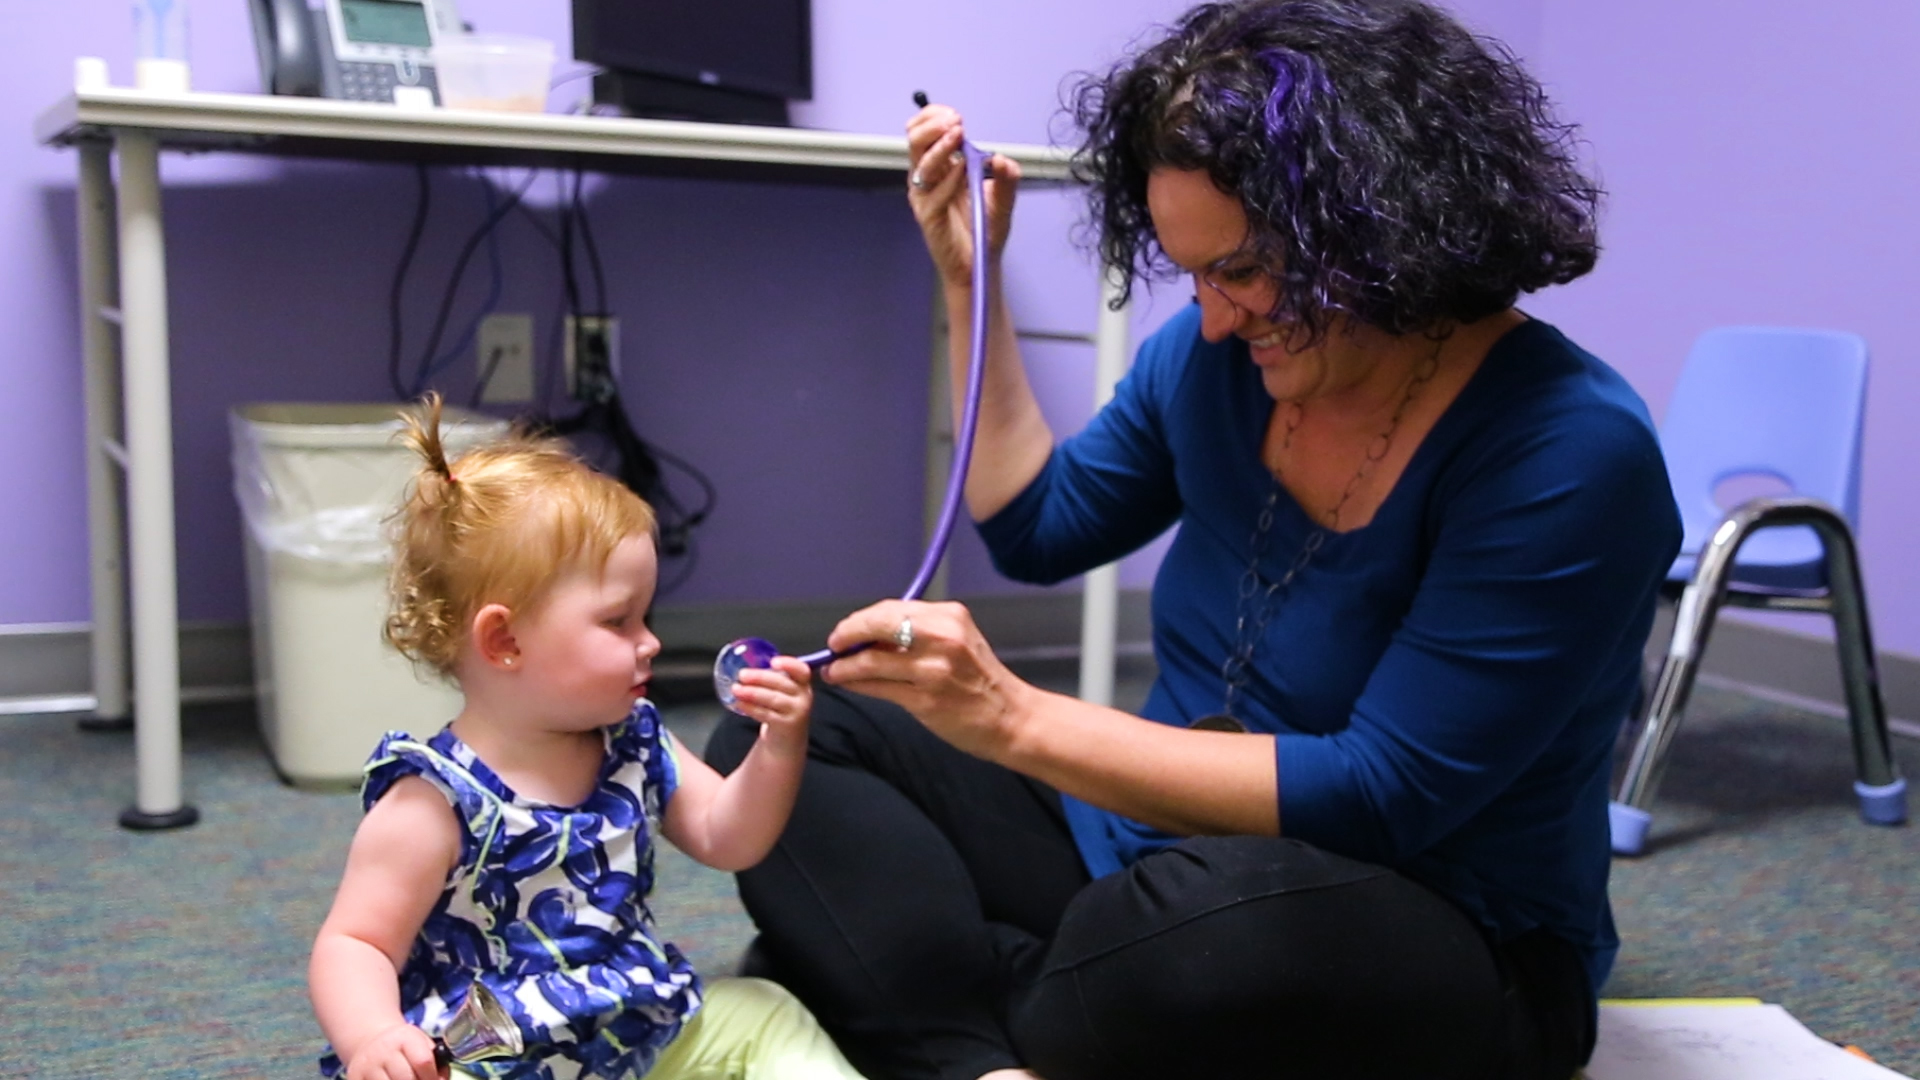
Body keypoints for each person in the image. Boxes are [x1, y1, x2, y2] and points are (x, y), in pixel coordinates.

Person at [704, 2, 1683, 1079]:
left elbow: (1380, 794)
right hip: (1144, 856)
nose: (1217, 317)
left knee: (1218, 936)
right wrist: (970, 279)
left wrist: (1011, 719)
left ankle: (900, 989)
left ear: (1387, 226)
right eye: (1196, 274)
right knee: (787, 725)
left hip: (1422, 922)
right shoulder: (1218, 359)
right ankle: (979, 1056)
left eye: (1250, 271)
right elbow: (1037, 527)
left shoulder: (1572, 451)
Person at [308, 394, 867, 1080]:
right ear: (505, 640)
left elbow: (731, 835)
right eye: (618, 622)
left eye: (646, 616)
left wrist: (779, 744)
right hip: (490, 1060)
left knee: (763, 1011)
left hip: (634, 1038)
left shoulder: (634, 741)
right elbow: (355, 942)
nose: (650, 642)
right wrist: (375, 1039)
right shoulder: (433, 802)